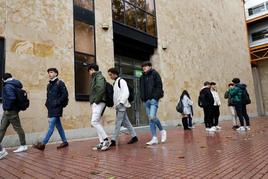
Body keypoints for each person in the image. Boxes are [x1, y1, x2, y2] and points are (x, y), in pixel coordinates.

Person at [33, 68, 69, 150]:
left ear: (56, 74)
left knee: (51, 126)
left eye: (51, 72)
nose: (49, 74)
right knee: (58, 125)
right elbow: (48, 96)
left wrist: (57, 102)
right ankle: (65, 141)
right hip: (51, 108)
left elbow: (65, 95)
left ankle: (43, 144)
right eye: (49, 72)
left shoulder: (60, 83)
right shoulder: (49, 85)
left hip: (57, 107)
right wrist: (47, 104)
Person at [107, 68, 138, 146]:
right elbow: (116, 96)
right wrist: (115, 105)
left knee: (118, 122)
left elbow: (126, 93)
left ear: (115, 74)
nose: (110, 76)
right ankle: (134, 137)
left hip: (122, 105)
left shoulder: (121, 81)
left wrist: (121, 103)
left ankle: (113, 140)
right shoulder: (116, 83)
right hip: (119, 106)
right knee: (126, 122)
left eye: (110, 74)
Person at [0, 73, 28, 159]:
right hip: (9, 111)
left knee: (17, 128)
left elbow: (12, 98)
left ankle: (23, 145)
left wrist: (7, 107)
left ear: (3, 79)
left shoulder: (8, 86)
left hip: (10, 111)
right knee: (2, 128)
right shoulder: (15, 84)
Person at [140, 61, 167, 145]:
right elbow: (141, 89)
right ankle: (154, 138)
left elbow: (159, 86)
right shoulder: (142, 77)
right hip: (146, 101)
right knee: (151, 119)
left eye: (146, 66)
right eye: (143, 66)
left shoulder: (155, 74)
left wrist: (155, 97)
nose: (144, 67)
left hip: (153, 100)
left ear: (150, 66)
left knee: (152, 116)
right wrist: (143, 98)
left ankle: (162, 130)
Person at [88, 63, 111, 151]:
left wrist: (96, 100)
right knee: (97, 122)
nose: (89, 73)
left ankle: (106, 140)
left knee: (94, 122)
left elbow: (101, 89)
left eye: (89, 71)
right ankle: (101, 142)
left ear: (92, 70)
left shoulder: (99, 77)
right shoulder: (95, 77)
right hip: (97, 102)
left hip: (99, 102)